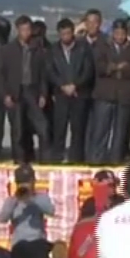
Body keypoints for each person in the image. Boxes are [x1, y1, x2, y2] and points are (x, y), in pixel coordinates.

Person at [0, 15, 50, 162]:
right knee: (17, 130)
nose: (26, 33)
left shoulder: (38, 50)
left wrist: (43, 94)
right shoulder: (7, 50)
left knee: (42, 128)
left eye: (28, 29)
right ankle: (19, 161)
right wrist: (4, 94)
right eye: (22, 30)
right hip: (15, 93)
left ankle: (45, 160)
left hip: (33, 91)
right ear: (18, 30)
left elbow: (44, 73)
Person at [0, 164, 55, 258]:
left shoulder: (41, 197)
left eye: (27, 181)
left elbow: (51, 211)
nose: (25, 185)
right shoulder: (12, 200)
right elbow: (2, 219)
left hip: (39, 241)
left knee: (43, 254)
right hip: (21, 244)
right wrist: (16, 200)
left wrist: (32, 199)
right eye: (21, 182)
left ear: (33, 181)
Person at [88, 19, 130, 164]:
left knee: (120, 132)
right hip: (105, 94)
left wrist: (116, 68)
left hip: (124, 95)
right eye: (117, 33)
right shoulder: (102, 45)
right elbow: (100, 67)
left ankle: (115, 160)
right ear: (112, 33)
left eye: (122, 33)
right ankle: (97, 160)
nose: (120, 36)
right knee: (100, 130)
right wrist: (117, 67)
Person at [46, 18, 94, 164]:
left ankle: (76, 159)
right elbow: (50, 70)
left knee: (78, 130)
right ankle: (57, 158)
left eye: (68, 33)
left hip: (79, 94)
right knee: (59, 129)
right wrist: (62, 85)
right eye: (63, 34)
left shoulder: (83, 47)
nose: (66, 37)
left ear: (73, 32)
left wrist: (75, 85)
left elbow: (88, 70)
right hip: (60, 95)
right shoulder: (53, 50)